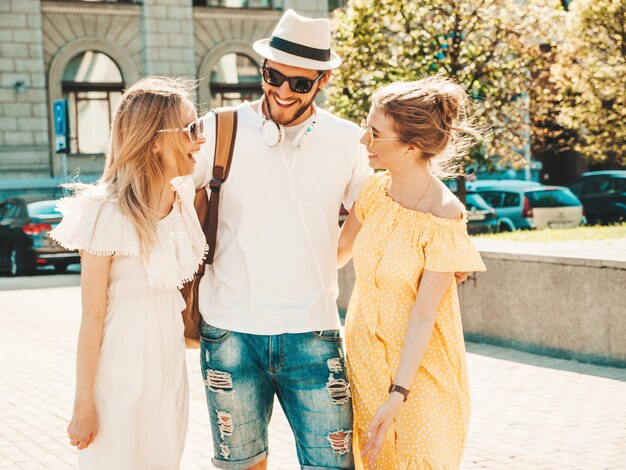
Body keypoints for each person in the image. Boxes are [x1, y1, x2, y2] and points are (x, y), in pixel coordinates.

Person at [192, 9, 372, 470]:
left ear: (323, 82)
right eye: (275, 76)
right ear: (263, 69)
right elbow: (172, 202)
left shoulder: (347, 141)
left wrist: (324, 261)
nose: (283, 91)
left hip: (313, 332)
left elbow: (371, 214)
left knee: (332, 465)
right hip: (230, 332)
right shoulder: (219, 128)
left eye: (300, 83)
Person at [50, 77, 207, 469]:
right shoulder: (104, 212)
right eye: (190, 129)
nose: (199, 139)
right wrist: (83, 403)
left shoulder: (184, 198)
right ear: (155, 141)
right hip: (119, 368)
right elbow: (92, 316)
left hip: (169, 366)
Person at [337, 76, 487, 469]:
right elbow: (335, 255)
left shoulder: (444, 214)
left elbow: (424, 315)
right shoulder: (372, 191)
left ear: (411, 145)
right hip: (364, 363)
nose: (363, 141)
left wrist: (397, 394)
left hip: (419, 376)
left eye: (374, 133)